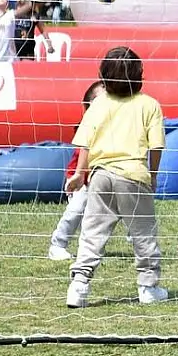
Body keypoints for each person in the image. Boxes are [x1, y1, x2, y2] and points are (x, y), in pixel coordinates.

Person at [64, 47, 168, 307]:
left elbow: (86, 143)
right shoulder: (149, 104)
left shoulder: (98, 103)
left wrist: (80, 174)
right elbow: (155, 147)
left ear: (103, 76)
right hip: (133, 175)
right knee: (143, 233)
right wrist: (152, 176)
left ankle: (78, 287)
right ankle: (148, 287)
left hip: (100, 176)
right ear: (139, 75)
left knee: (92, 232)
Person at [48, 81, 106, 261]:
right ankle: (58, 244)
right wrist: (77, 177)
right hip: (81, 179)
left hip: (104, 179)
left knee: (124, 207)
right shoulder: (88, 127)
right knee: (77, 209)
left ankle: (138, 243)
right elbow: (83, 154)